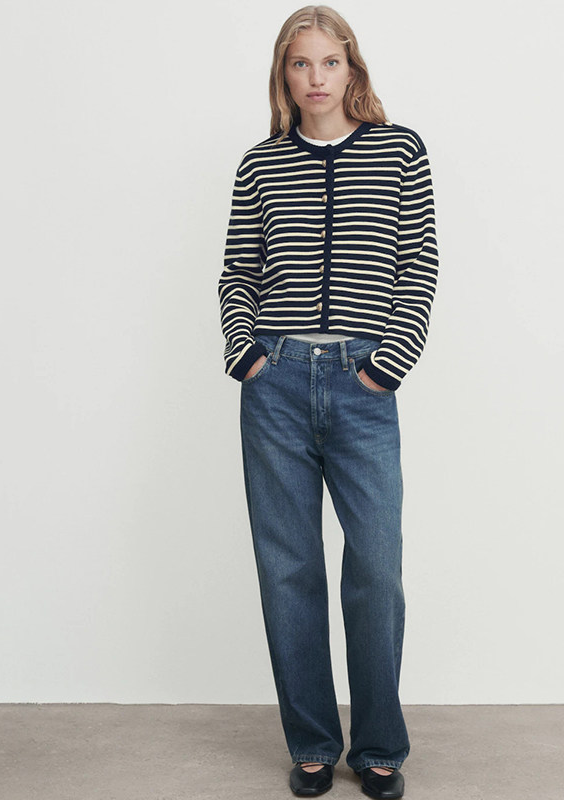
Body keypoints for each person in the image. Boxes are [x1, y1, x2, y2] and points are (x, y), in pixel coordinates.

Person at [218, 5, 438, 798]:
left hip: (361, 381)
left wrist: (388, 364)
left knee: (376, 568)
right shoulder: (260, 164)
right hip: (275, 383)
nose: (316, 78)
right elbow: (238, 271)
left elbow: (418, 264)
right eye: (300, 63)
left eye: (329, 62)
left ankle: (378, 747)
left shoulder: (399, 151)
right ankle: (312, 742)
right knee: (289, 571)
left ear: (353, 68)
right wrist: (246, 352)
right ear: (284, 73)